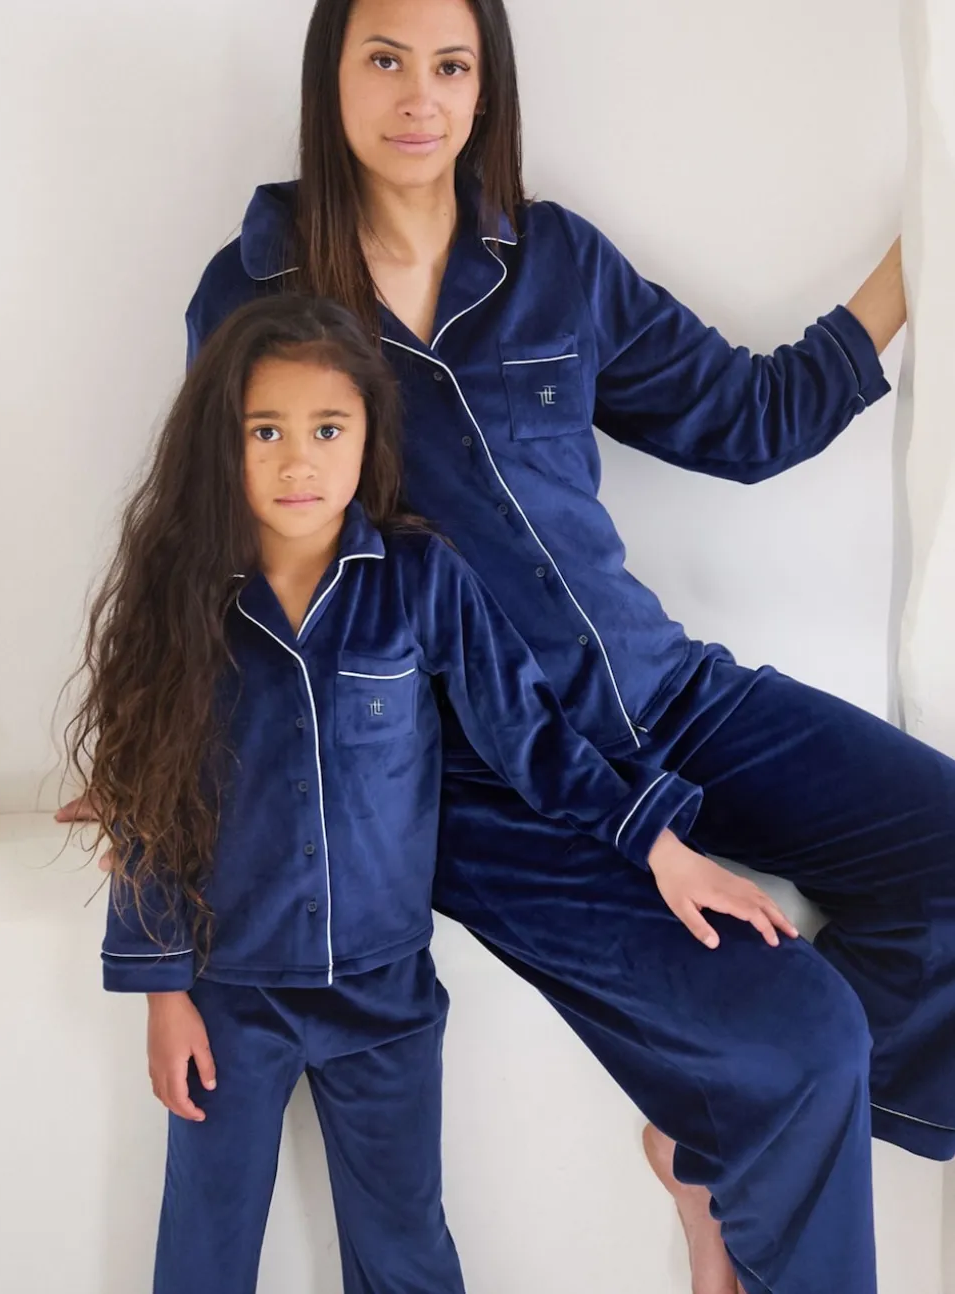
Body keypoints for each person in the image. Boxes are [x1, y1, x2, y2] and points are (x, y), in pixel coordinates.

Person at [59, 1, 955, 1290]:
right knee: (800, 1037)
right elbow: (216, 544)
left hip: (667, 693)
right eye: (384, 59)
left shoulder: (556, 263)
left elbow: (751, 419)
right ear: (331, 76)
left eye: (451, 65)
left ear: (486, 87)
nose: (418, 96)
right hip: (486, 778)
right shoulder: (254, 294)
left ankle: (723, 1142)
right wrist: (149, 755)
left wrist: (929, 236)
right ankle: (749, 1127)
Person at [68, 295, 794, 1294]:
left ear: (369, 435)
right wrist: (162, 995)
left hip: (385, 997)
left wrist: (659, 846)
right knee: (204, 1248)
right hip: (229, 992)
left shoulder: (421, 580)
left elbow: (531, 735)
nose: (297, 460)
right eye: (265, 431)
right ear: (221, 441)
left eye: (328, 430)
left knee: (407, 1251)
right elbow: (147, 797)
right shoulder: (184, 600)